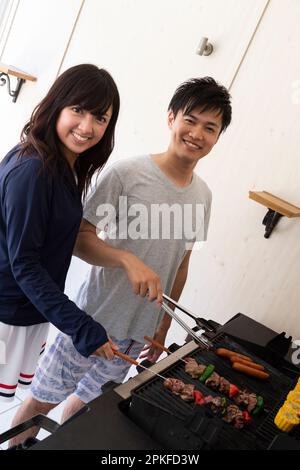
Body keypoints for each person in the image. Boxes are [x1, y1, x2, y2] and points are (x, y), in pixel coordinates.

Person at [11, 76, 232, 443]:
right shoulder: (127, 173)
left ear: (218, 136)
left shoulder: (203, 196)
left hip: (137, 334)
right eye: (190, 120)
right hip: (92, 317)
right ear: (171, 118)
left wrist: (161, 327)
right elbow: (79, 239)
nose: (197, 134)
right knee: (41, 401)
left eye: (210, 128)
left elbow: (181, 263)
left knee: (88, 409)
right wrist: (126, 259)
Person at [0, 63, 162, 410]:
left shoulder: (63, 166)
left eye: (100, 118)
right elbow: (24, 265)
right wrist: (83, 327)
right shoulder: (33, 170)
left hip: (25, 309)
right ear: (57, 105)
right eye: (78, 110)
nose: (88, 127)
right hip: (7, 312)